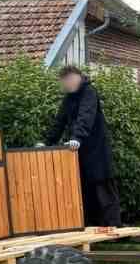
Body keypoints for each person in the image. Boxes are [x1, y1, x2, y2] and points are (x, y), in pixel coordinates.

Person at [42, 66, 122, 227]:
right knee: (84, 192)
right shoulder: (69, 98)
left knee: (103, 190)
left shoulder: (89, 92)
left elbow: (86, 116)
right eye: (63, 84)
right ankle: (91, 229)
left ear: (75, 79)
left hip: (97, 151)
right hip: (80, 153)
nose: (65, 86)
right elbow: (59, 121)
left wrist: (77, 137)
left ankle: (114, 229)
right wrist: (46, 142)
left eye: (66, 82)